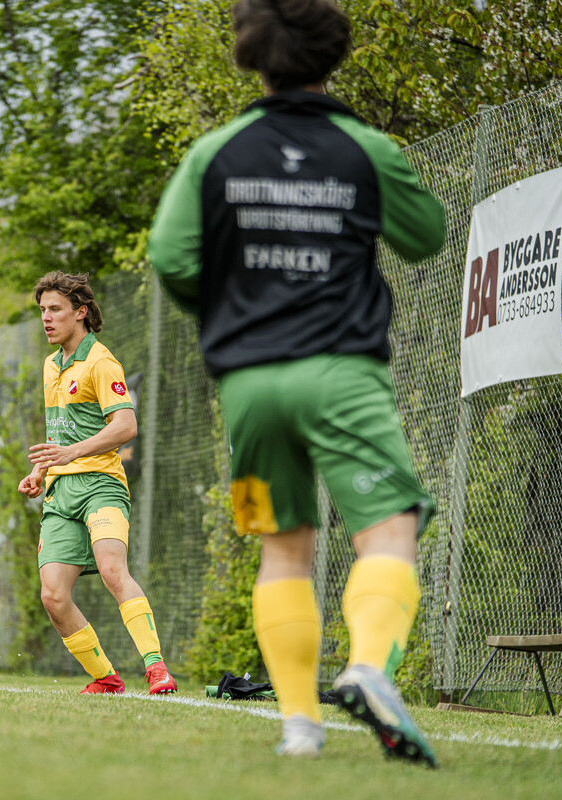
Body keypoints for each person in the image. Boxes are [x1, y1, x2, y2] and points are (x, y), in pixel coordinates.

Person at [148, 0, 445, 766]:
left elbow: (171, 257)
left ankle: (300, 730)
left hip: (248, 384)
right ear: (333, 54)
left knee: (283, 550)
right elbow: (426, 236)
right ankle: (369, 667)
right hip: (342, 371)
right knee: (388, 529)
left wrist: (233, 310)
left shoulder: (214, 153)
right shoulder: (366, 149)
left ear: (252, 55)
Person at [18, 271, 177, 696]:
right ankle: (107, 678)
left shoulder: (101, 362)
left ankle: (156, 668)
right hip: (60, 493)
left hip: (101, 485)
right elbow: (59, 434)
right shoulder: (51, 365)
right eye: (42, 310)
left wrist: (72, 453)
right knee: (53, 596)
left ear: (80, 312)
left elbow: (125, 426)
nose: (46, 318)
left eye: (55, 309)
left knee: (112, 570)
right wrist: (40, 471)